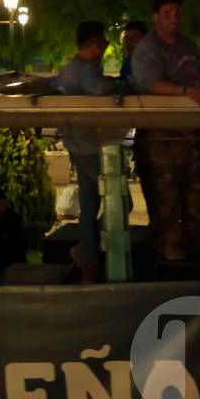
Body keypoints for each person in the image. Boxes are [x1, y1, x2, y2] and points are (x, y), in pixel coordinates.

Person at [132, 0, 200, 261]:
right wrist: (185, 91)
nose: (173, 19)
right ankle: (169, 250)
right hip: (162, 138)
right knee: (164, 198)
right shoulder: (147, 48)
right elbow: (151, 84)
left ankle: (198, 245)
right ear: (156, 17)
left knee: (197, 195)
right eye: (167, 13)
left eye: (177, 13)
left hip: (195, 135)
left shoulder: (189, 46)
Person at [54, 21, 119, 280]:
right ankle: (93, 248)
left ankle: (89, 256)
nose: (104, 49)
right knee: (120, 198)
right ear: (93, 44)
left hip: (75, 142)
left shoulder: (67, 69)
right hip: (91, 145)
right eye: (103, 43)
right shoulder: (87, 71)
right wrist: (121, 85)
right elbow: (100, 88)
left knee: (89, 203)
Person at [119, 20, 147, 90]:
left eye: (133, 38)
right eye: (126, 38)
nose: (128, 42)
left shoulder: (153, 61)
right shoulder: (127, 63)